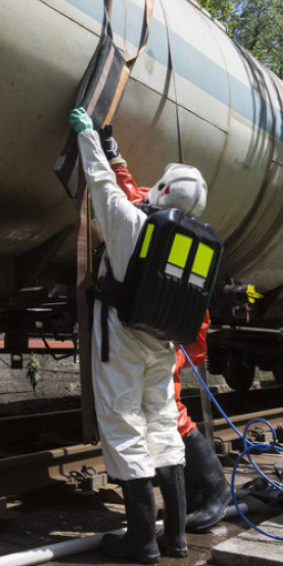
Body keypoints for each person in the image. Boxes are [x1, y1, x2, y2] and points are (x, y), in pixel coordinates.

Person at [70, 107, 207, 564]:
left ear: (162, 191)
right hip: (164, 345)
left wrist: (88, 136)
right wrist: (117, 153)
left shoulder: (132, 224)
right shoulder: (192, 243)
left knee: (125, 425)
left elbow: (102, 185)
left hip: (122, 340)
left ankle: (142, 540)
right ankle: (178, 539)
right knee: (163, 427)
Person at [99, 124, 231, 533]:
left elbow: (128, 193)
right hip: (162, 341)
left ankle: (216, 491)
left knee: (170, 416)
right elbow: (129, 188)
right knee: (164, 416)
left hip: (161, 342)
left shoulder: (164, 230)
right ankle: (195, 494)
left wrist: (178, 357)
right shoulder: (159, 218)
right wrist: (115, 155)